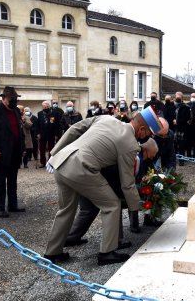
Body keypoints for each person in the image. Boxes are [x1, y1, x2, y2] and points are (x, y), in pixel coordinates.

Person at [43, 108, 161, 266]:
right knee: (112, 205)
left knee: (65, 210)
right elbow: (127, 184)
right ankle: (107, 253)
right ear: (141, 130)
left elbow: (74, 129)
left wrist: (53, 153)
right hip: (82, 169)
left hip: (61, 162)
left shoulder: (107, 119)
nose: (146, 138)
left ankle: (52, 252)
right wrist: (138, 207)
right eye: (148, 134)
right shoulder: (130, 144)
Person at [0, 86, 26, 218]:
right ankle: (0, 208)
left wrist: (22, 147)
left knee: (12, 180)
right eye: (11, 99)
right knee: (0, 181)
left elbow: (19, 131)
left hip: (15, 152)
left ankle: (12, 205)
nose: (13, 101)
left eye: (15, 99)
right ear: (3, 98)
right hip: (0, 153)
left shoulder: (16, 111)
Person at [37, 100, 62, 167]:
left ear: (49, 106)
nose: (45, 107)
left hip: (51, 133)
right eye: (44, 106)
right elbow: (38, 124)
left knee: (51, 148)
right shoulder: (40, 113)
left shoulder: (54, 113)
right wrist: (38, 133)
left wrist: (57, 134)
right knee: (42, 149)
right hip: (42, 134)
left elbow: (57, 124)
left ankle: (50, 162)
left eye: (46, 106)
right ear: (42, 106)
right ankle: (42, 162)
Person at [174, 92, 191, 165]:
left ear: (182, 98)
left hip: (182, 129)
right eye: (177, 96)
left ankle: (181, 161)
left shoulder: (186, 107)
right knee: (173, 146)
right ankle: (173, 161)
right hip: (173, 128)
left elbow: (187, 118)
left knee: (181, 146)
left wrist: (177, 121)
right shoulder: (172, 106)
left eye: (179, 96)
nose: (178, 97)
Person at [187, 93, 195, 159]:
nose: (193, 97)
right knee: (188, 142)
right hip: (188, 126)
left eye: (194, 97)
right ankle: (188, 155)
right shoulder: (187, 105)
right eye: (192, 96)